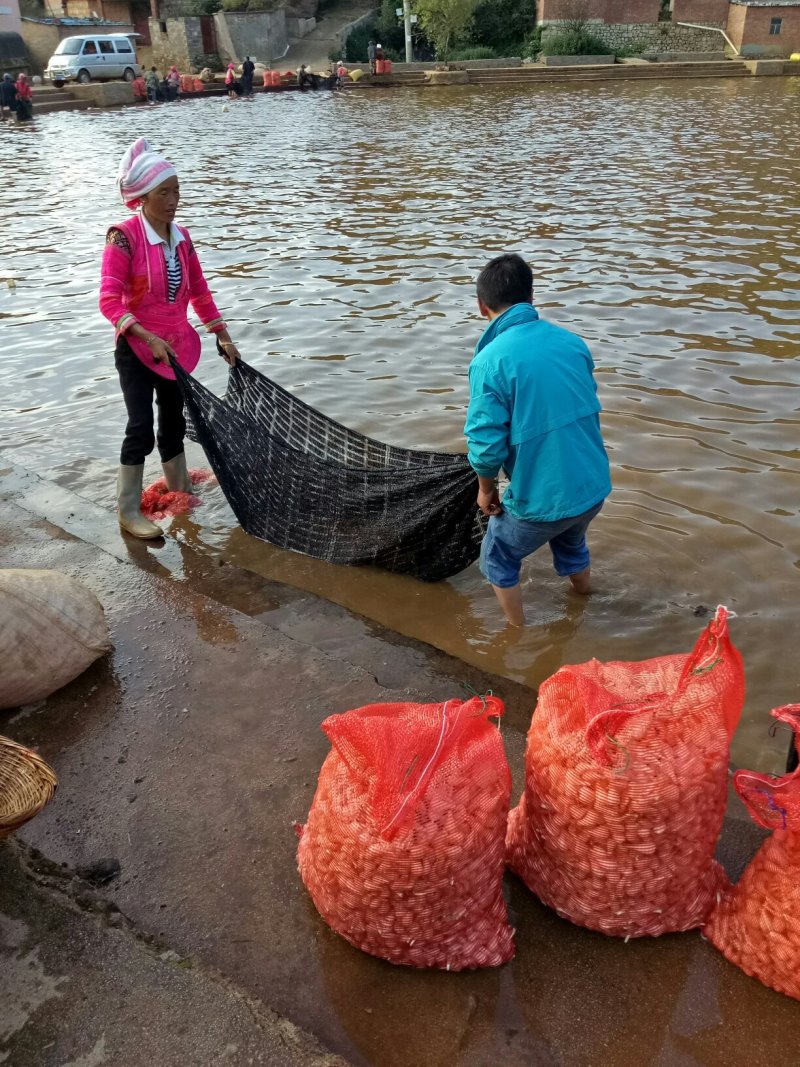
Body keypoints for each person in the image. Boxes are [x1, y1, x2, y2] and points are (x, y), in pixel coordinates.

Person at [99, 138, 241, 539]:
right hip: (136, 348)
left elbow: (199, 290)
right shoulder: (122, 237)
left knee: (174, 422)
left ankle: (179, 490)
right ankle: (128, 510)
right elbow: (109, 300)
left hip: (175, 346)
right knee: (140, 426)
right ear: (142, 196)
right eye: (164, 192)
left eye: (176, 190)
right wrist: (144, 335)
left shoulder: (182, 236)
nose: (173, 199)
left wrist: (222, 335)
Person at [464, 253, 611, 627]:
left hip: (546, 498)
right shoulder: (572, 343)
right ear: (531, 297)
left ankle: (515, 634)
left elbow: (485, 445)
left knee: (497, 555)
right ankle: (584, 602)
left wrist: (486, 489)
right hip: (592, 486)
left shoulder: (489, 361)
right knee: (571, 541)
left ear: (483, 307)